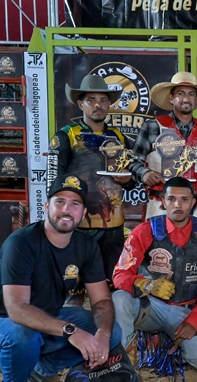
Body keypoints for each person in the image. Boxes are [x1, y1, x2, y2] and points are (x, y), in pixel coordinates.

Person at [0, 175, 122, 382]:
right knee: (22, 336)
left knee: (112, 333)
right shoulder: (21, 242)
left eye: (75, 204)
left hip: (46, 319)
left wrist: (102, 334)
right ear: (46, 206)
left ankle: (41, 368)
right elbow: (17, 309)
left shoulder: (86, 245)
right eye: (60, 202)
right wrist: (72, 332)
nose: (67, 209)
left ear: (84, 213)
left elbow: (101, 300)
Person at [112, 177, 197, 372]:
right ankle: (125, 362)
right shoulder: (144, 231)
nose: (177, 205)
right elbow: (120, 275)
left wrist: (194, 320)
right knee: (119, 298)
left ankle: (161, 344)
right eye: (171, 199)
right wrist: (147, 285)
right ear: (162, 201)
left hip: (186, 310)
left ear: (194, 202)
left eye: (184, 199)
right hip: (152, 306)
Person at [51, 74, 135, 282]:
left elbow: (132, 178)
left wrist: (128, 181)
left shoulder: (119, 137)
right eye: (91, 100)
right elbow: (54, 180)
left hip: (113, 227)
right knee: (74, 286)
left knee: (113, 283)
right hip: (79, 226)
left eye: (103, 100)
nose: (98, 105)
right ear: (80, 104)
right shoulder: (66, 135)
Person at [128, 72, 197, 219]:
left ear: (196, 100)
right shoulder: (152, 126)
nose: (186, 99)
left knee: (193, 242)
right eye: (180, 93)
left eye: (191, 94)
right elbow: (132, 161)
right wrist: (144, 173)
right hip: (159, 205)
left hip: (193, 209)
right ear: (171, 98)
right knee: (157, 241)